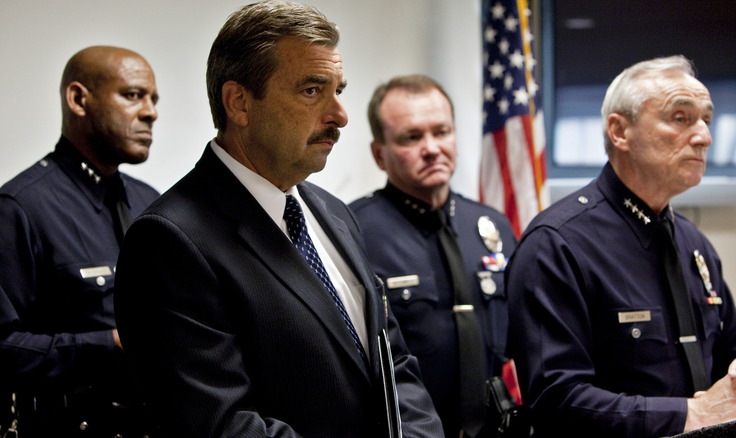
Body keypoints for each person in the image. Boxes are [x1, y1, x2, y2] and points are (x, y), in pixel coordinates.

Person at [112, 2, 444, 437]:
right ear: (239, 103)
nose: (339, 115)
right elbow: (221, 424)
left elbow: (393, 362)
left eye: (337, 90)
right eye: (312, 90)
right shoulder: (170, 240)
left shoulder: (334, 213)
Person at [504, 54, 736, 437]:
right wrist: (692, 414)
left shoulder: (692, 241)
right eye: (681, 117)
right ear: (619, 131)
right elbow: (557, 398)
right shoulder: (556, 244)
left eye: (707, 120)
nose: (704, 136)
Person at [0, 46, 160, 437]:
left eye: (154, 99)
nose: (150, 112)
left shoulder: (151, 201)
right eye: (133, 95)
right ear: (78, 99)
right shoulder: (20, 207)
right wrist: (109, 345)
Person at [349, 74, 517, 438]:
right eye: (412, 137)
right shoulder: (353, 232)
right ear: (380, 154)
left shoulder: (492, 225)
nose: (431, 147)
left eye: (441, 132)